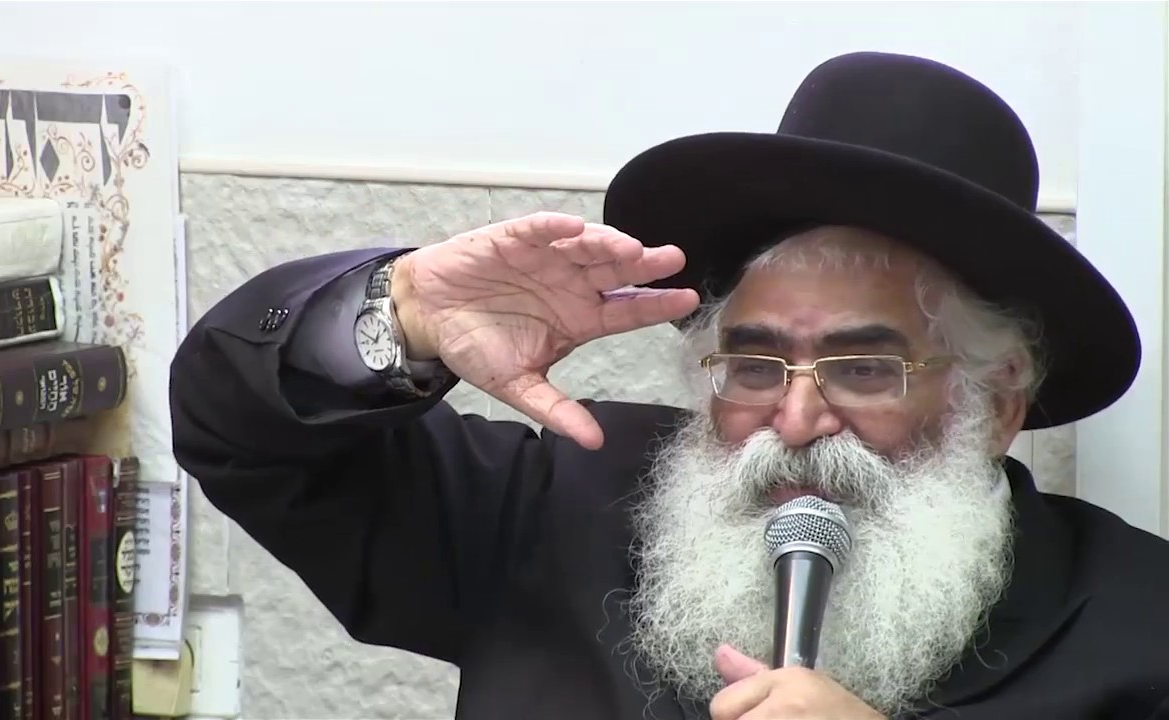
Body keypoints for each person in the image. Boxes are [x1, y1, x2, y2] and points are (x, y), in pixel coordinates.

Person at [168, 51, 1169, 720]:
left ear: (994, 404)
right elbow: (236, 432)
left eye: (864, 369)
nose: (794, 418)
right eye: (754, 364)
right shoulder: (554, 508)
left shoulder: (1138, 629)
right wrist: (402, 314)